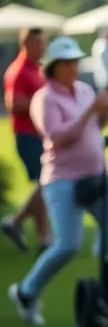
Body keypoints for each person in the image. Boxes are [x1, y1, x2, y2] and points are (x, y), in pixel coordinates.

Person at [8, 36, 108, 325]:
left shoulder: (83, 90)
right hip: (62, 179)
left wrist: (104, 112)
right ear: (53, 67)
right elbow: (58, 137)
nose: (73, 68)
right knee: (67, 245)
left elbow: (97, 126)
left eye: (75, 63)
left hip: (95, 176)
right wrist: (92, 112)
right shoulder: (45, 98)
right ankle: (27, 292)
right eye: (67, 63)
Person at [2, 28, 51, 253]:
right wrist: (41, 100)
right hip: (27, 135)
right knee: (46, 182)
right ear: (26, 44)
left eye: (43, 43)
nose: (42, 47)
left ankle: (44, 238)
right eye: (38, 43)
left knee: (42, 185)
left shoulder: (37, 68)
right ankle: (16, 220)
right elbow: (13, 103)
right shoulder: (19, 71)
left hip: (40, 134)